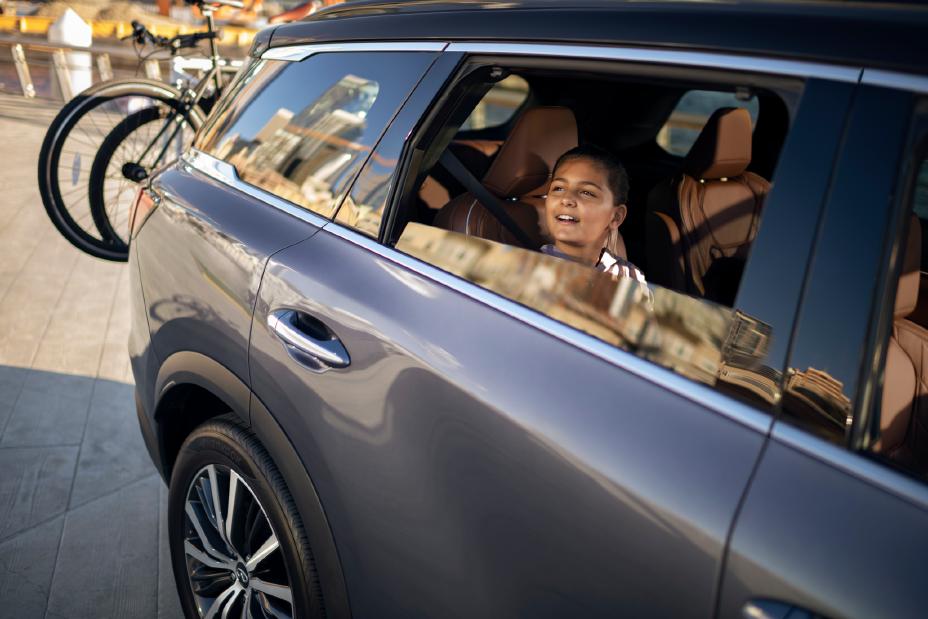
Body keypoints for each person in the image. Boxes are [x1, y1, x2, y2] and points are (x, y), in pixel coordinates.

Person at [541, 145, 646, 284]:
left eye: (587, 192)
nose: (566, 199)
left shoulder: (629, 276)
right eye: (558, 188)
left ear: (616, 217)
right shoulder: (526, 268)